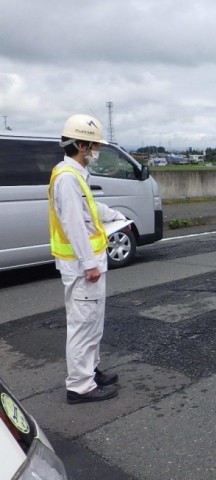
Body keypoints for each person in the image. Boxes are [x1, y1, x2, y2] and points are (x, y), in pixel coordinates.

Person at [48, 114, 128, 404]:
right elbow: (73, 224)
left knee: (93, 321)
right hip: (82, 266)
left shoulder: (76, 174)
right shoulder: (67, 179)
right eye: (93, 146)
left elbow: (90, 210)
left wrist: (117, 216)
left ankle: (90, 371)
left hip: (88, 264)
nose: (96, 151)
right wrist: (89, 264)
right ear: (81, 145)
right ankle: (79, 386)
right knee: (83, 323)